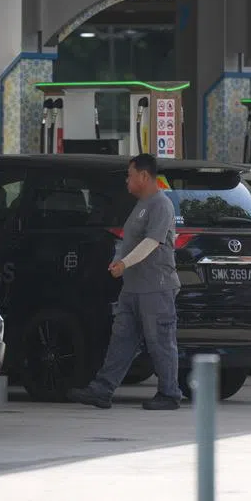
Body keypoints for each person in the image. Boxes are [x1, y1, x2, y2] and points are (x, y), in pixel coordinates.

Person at [68, 153, 183, 411]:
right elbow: (130, 241)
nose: (127, 181)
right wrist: (119, 261)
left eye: (130, 175)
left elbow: (151, 243)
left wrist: (124, 264)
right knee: (121, 340)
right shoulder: (141, 205)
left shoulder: (161, 205)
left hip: (155, 288)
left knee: (160, 341)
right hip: (133, 289)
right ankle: (102, 389)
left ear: (144, 176)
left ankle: (169, 393)